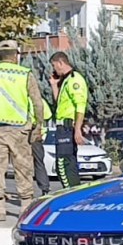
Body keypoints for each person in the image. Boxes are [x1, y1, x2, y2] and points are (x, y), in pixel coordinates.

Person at [0, 39, 47, 221]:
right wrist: (38, 125)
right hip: (19, 128)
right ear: (16, 55)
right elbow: (37, 102)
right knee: (23, 167)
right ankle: (24, 207)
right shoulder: (24, 74)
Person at [49, 51, 89, 189]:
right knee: (66, 165)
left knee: (63, 164)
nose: (54, 70)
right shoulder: (65, 81)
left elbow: (80, 106)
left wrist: (77, 130)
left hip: (67, 127)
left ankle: (71, 193)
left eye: (54, 66)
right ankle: (74, 192)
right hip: (61, 127)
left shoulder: (74, 80)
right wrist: (54, 85)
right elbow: (59, 104)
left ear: (61, 63)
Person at [31, 90, 53, 198]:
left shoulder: (22, 98)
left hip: (31, 132)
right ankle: (45, 188)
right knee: (38, 162)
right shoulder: (41, 100)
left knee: (23, 162)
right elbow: (47, 116)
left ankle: (42, 187)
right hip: (37, 134)